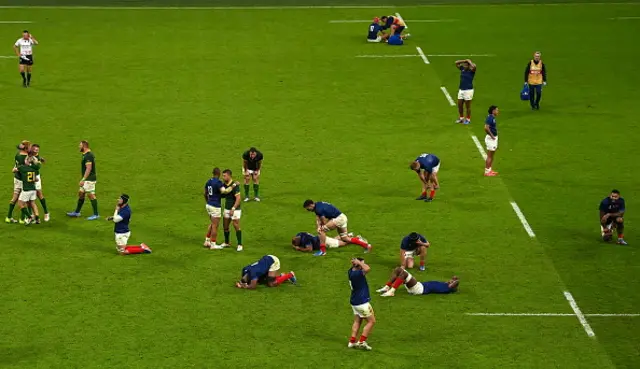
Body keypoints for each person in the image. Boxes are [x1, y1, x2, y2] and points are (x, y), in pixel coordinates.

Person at [302, 200, 372, 256]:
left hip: (338, 219)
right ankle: (365, 244)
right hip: (343, 217)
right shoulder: (318, 204)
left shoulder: (318, 209)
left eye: (308, 209)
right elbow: (318, 217)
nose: (308, 210)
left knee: (321, 231)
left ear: (311, 205)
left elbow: (324, 221)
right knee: (345, 238)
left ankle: (322, 251)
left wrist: (320, 227)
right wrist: (318, 225)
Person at [203, 167, 239, 249]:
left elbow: (205, 193)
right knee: (215, 225)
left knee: (212, 223)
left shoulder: (208, 181)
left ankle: (207, 241)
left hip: (208, 205)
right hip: (215, 206)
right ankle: (213, 244)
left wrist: (208, 201)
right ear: (219, 174)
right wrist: (234, 185)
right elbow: (225, 191)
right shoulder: (218, 182)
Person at [347, 258, 375, 351]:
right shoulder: (357, 274)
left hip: (354, 301)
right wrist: (360, 263)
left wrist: (357, 263)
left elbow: (363, 268)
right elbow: (367, 269)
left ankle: (351, 342)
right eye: (362, 264)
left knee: (357, 321)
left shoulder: (350, 271)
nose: (364, 265)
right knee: (371, 321)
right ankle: (361, 342)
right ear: (358, 266)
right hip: (362, 302)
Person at [67, 141, 99, 220]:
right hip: (87, 179)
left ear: (84, 146)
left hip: (89, 179)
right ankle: (77, 212)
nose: (79, 147)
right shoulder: (85, 155)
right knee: (81, 193)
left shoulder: (88, 156)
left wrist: (83, 179)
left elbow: (89, 168)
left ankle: (96, 214)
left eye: (80, 145)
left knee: (91, 195)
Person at [377, 267, 459, 297]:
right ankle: (387, 287)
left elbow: (456, 281)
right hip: (419, 286)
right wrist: (451, 280)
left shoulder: (447, 288)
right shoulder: (444, 285)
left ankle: (392, 291)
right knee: (398, 269)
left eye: (452, 282)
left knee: (404, 274)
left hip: (419, 289)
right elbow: (454, 278)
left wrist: (454, 282)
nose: (451, 280)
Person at [6, 140, 30, 224]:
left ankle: (8, 217)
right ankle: (22, 219)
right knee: (24, 199)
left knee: (15, 197)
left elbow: (16, 167)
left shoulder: (18, 154)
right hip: (23, 180)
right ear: (26, 148)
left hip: (16, 178)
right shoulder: (25, 158)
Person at [13, 156, 40, 225]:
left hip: (26, 190)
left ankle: (29, 217)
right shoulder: (34, 169)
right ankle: (37, 219)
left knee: (20, 204)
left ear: (27, 161)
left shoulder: (22, 168)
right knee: (33, 203)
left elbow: (13, 170)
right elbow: (37, 179)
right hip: (33, 189)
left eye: (25, 159)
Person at [221, 169, 243, 251]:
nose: (223, 177)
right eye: (223, 175)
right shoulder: (224, 185)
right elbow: (223, 194)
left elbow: (238, 198)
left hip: (235, 209)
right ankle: (227, 242)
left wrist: (233, 208)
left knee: (236, 225)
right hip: (227, 208)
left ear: (229, 176)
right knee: (225, 226)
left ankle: (240, 244)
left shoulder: (235, 186)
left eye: (224, 175)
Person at [30, 144, 50, 222]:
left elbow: (37, 165)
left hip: (36, 176)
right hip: (28, 176)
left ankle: (46, 212)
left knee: (39, 194)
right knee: (29, 195)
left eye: (37, 150)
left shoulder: (36, 158)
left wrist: (40, 160)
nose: (36, 151)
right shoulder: (29, 154)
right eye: (34, 149)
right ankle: (31, 214)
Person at [454, 59, 476, 124]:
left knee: (467, 106)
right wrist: (464, 60)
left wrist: (469, 61)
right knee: (460, 105)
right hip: (461, 89)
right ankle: (461, 118)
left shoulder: (471, 71)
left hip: (468, 90)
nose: (464, 66)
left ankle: (468, 119)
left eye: (466, 65)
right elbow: (456, 62)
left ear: (469, 66)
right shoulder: (462, 69)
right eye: (464, 65)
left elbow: (474, 67)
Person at [484, 105, 500, 177]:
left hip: (493, 138)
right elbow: (486, 128)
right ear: (493, 111)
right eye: (496, 110)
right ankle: (487, 172)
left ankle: (490, 170)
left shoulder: (492, 118)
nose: (498, 111)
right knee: (490, 156)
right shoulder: (490, 118)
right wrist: (492, 136)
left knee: (492, 155)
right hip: (491, 139)